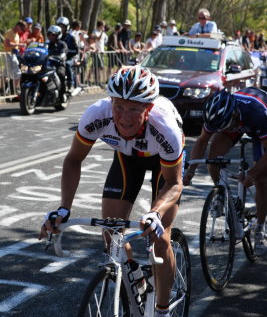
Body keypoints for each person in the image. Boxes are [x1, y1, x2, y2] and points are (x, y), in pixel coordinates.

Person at [39, 65, 184, 317]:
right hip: (128, 158)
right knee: (111, 233)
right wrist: (64, 208)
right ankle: (134, 279)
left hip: (165, 165)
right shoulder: (96, 114)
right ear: (110, 101)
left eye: (134, 109)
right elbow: (73, 160)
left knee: (160, 240)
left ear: (148, 109)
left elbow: (174, 182)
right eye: (119, 106)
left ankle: (162, 310)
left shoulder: (165, 127)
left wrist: (155, 213)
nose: (124, 117)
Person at [183, 88, 267, 256]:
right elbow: (202, 141)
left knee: (261, 179)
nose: (220, 128)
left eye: (225, 125)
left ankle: (260, 228)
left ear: (234, 114)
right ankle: (223, 195)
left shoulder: (258, 113)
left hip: (258, 126)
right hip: (233, 121)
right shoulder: (216, 114)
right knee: (214, 158)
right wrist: (190, 170)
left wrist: (253, 173)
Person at [56, 16, 79, 91]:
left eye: (62, 26)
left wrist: (66, 52)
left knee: (67, 65)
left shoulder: (70, 37)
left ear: (67, 27)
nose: (61, 28)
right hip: (58, 58)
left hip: (69, 58)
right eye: (59, 26)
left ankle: (70, 84)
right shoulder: (55, 37)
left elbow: (76, 50)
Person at [46, 25, 68, 102]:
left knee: (60, 74)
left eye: (53, 35)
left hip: (58, 64)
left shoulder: (62, 44)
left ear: (58, 35)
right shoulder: (46, 44)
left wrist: (61, 56)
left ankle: (62, 94)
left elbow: (63, 53)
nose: (51, 36)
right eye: (49, 34)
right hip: (46, 65)